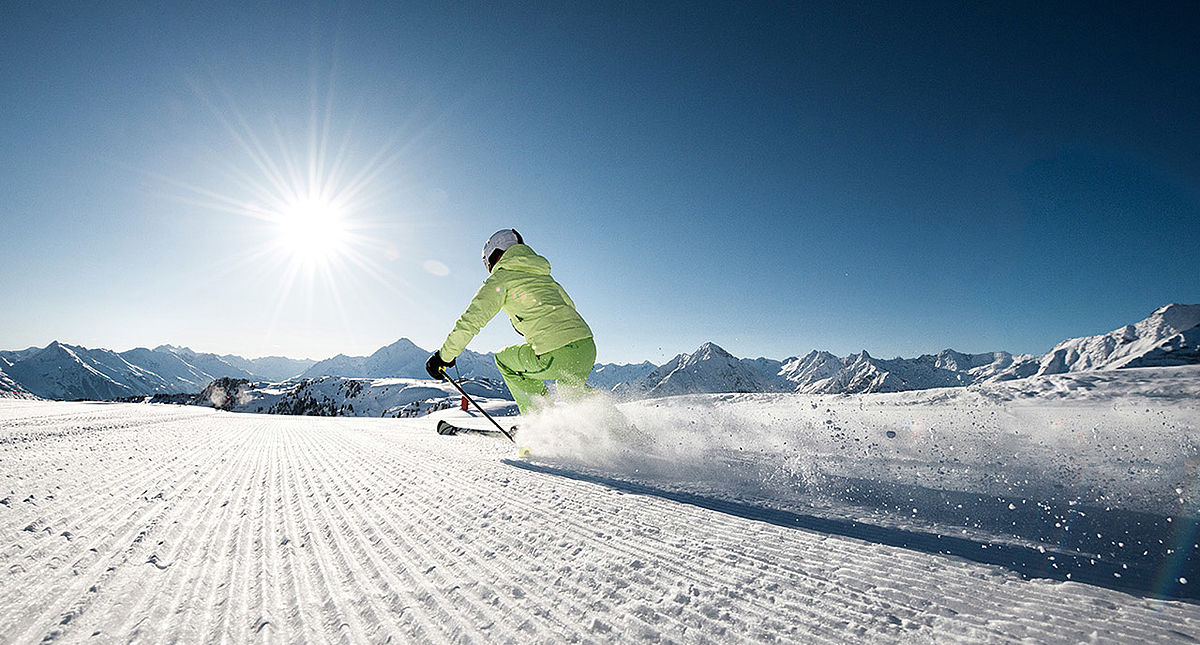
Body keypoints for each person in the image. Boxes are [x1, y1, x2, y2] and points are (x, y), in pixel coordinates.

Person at [425, 229, 596, 415]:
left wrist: (444, 356)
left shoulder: (501, 278)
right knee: (571, 391)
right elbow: (569, 306)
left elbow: (471, 320)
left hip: (557, 353)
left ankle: (541, 427)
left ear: (493, 256)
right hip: (586, 345)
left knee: (504, 360)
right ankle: (616, 426)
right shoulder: (544, 276)